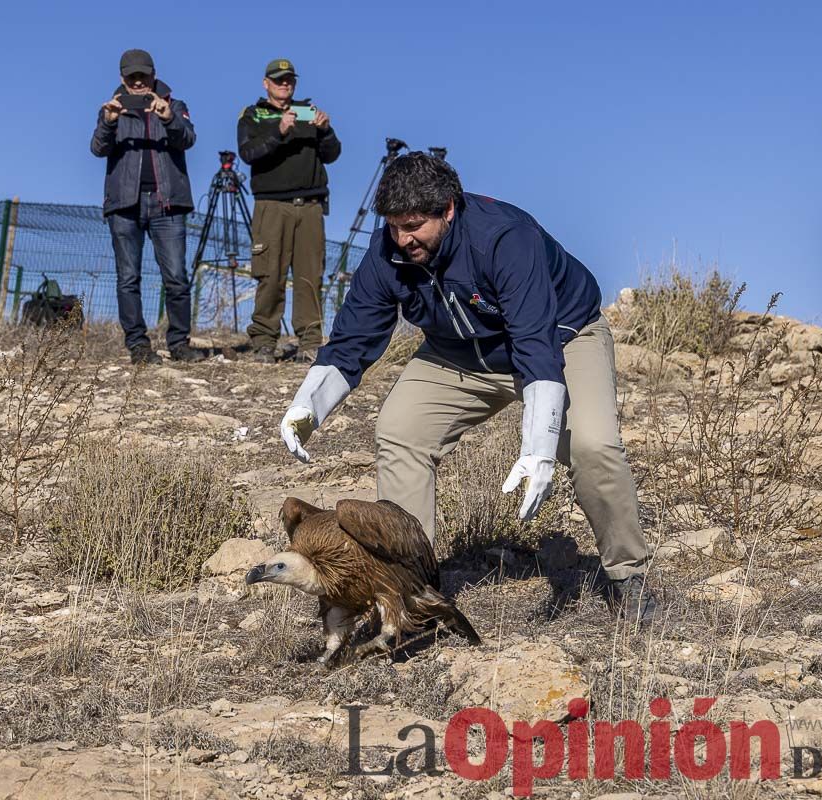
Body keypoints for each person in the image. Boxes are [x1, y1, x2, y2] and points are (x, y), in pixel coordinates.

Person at [276, 153, 656, 623]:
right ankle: (410, 590)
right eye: (394, 226)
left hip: (561, 337)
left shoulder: (504, 238)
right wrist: (307, 406)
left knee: (594, 446)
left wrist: (539, 447)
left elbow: (535, 343)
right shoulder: (388, 251)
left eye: (414, 225)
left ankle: (628, 576)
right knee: (400, 431)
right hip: (458, 352)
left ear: (449, 210)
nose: (403, 238)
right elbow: (356, 337)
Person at [90, 48, 205, 365]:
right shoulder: (111, 110)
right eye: (132, 77)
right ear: (122, 79)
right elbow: (98, 148)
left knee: (176, 277)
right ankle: (138, 346)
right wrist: (109, 122)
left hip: (167, 204)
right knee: (128, 278)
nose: (138, 83)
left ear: (153, 75)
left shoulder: (175, 106)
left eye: (143, 76)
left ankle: (179, 343)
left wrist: (167, 117)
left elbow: (188, 139)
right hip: (124, 205)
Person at [237, 59, 341, 364]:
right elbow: (248, 153)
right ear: (266, 83)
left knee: (310, 276)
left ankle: (309, 343)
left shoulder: (308, 113)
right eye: (279, 80)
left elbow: (332, 154)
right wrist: (279, 132)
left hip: (309, 206)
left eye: (289, 80)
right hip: (272, 205)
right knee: (270, 274)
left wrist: (326, 131)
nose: (285, 85)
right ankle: (264, 342)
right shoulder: (254, 115)